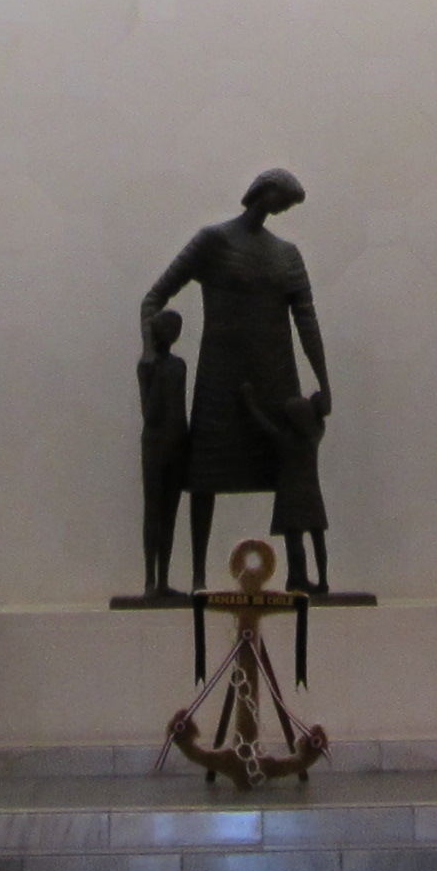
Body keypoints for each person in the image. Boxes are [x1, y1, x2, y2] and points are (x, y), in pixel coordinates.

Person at [139, 168, 332, 592]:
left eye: (288, 205)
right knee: (206, 477)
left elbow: (306, 319)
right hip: (221, 379)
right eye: (283, 200)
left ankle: (300, 574)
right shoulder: (213, 242)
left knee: (292, 479)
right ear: (264, 191)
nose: (283, 209)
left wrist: (324, 379)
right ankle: (198, 577)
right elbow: (154, 298)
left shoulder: (287, 255)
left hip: (275, 379)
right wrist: (151, 353)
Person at [252, 383, 331, 596]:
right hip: (312, 495)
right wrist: (318, 403)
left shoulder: (286, 440)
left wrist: (249, 402)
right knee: (317, 538)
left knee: (295, 541)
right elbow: (323, 415)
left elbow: (264, 424)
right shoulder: (314, 436)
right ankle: (321, 580)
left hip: (290, 495)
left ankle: (298, 578)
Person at [136, 310, 192, 596]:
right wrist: (153, 365)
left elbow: (178, 408)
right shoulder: (148, 366)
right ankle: (150, 580)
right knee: (154, 511)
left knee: (168, 514)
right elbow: (150, 411)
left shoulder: (179, 366)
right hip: (156, 443)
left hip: (176, 443)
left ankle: (162, 580)